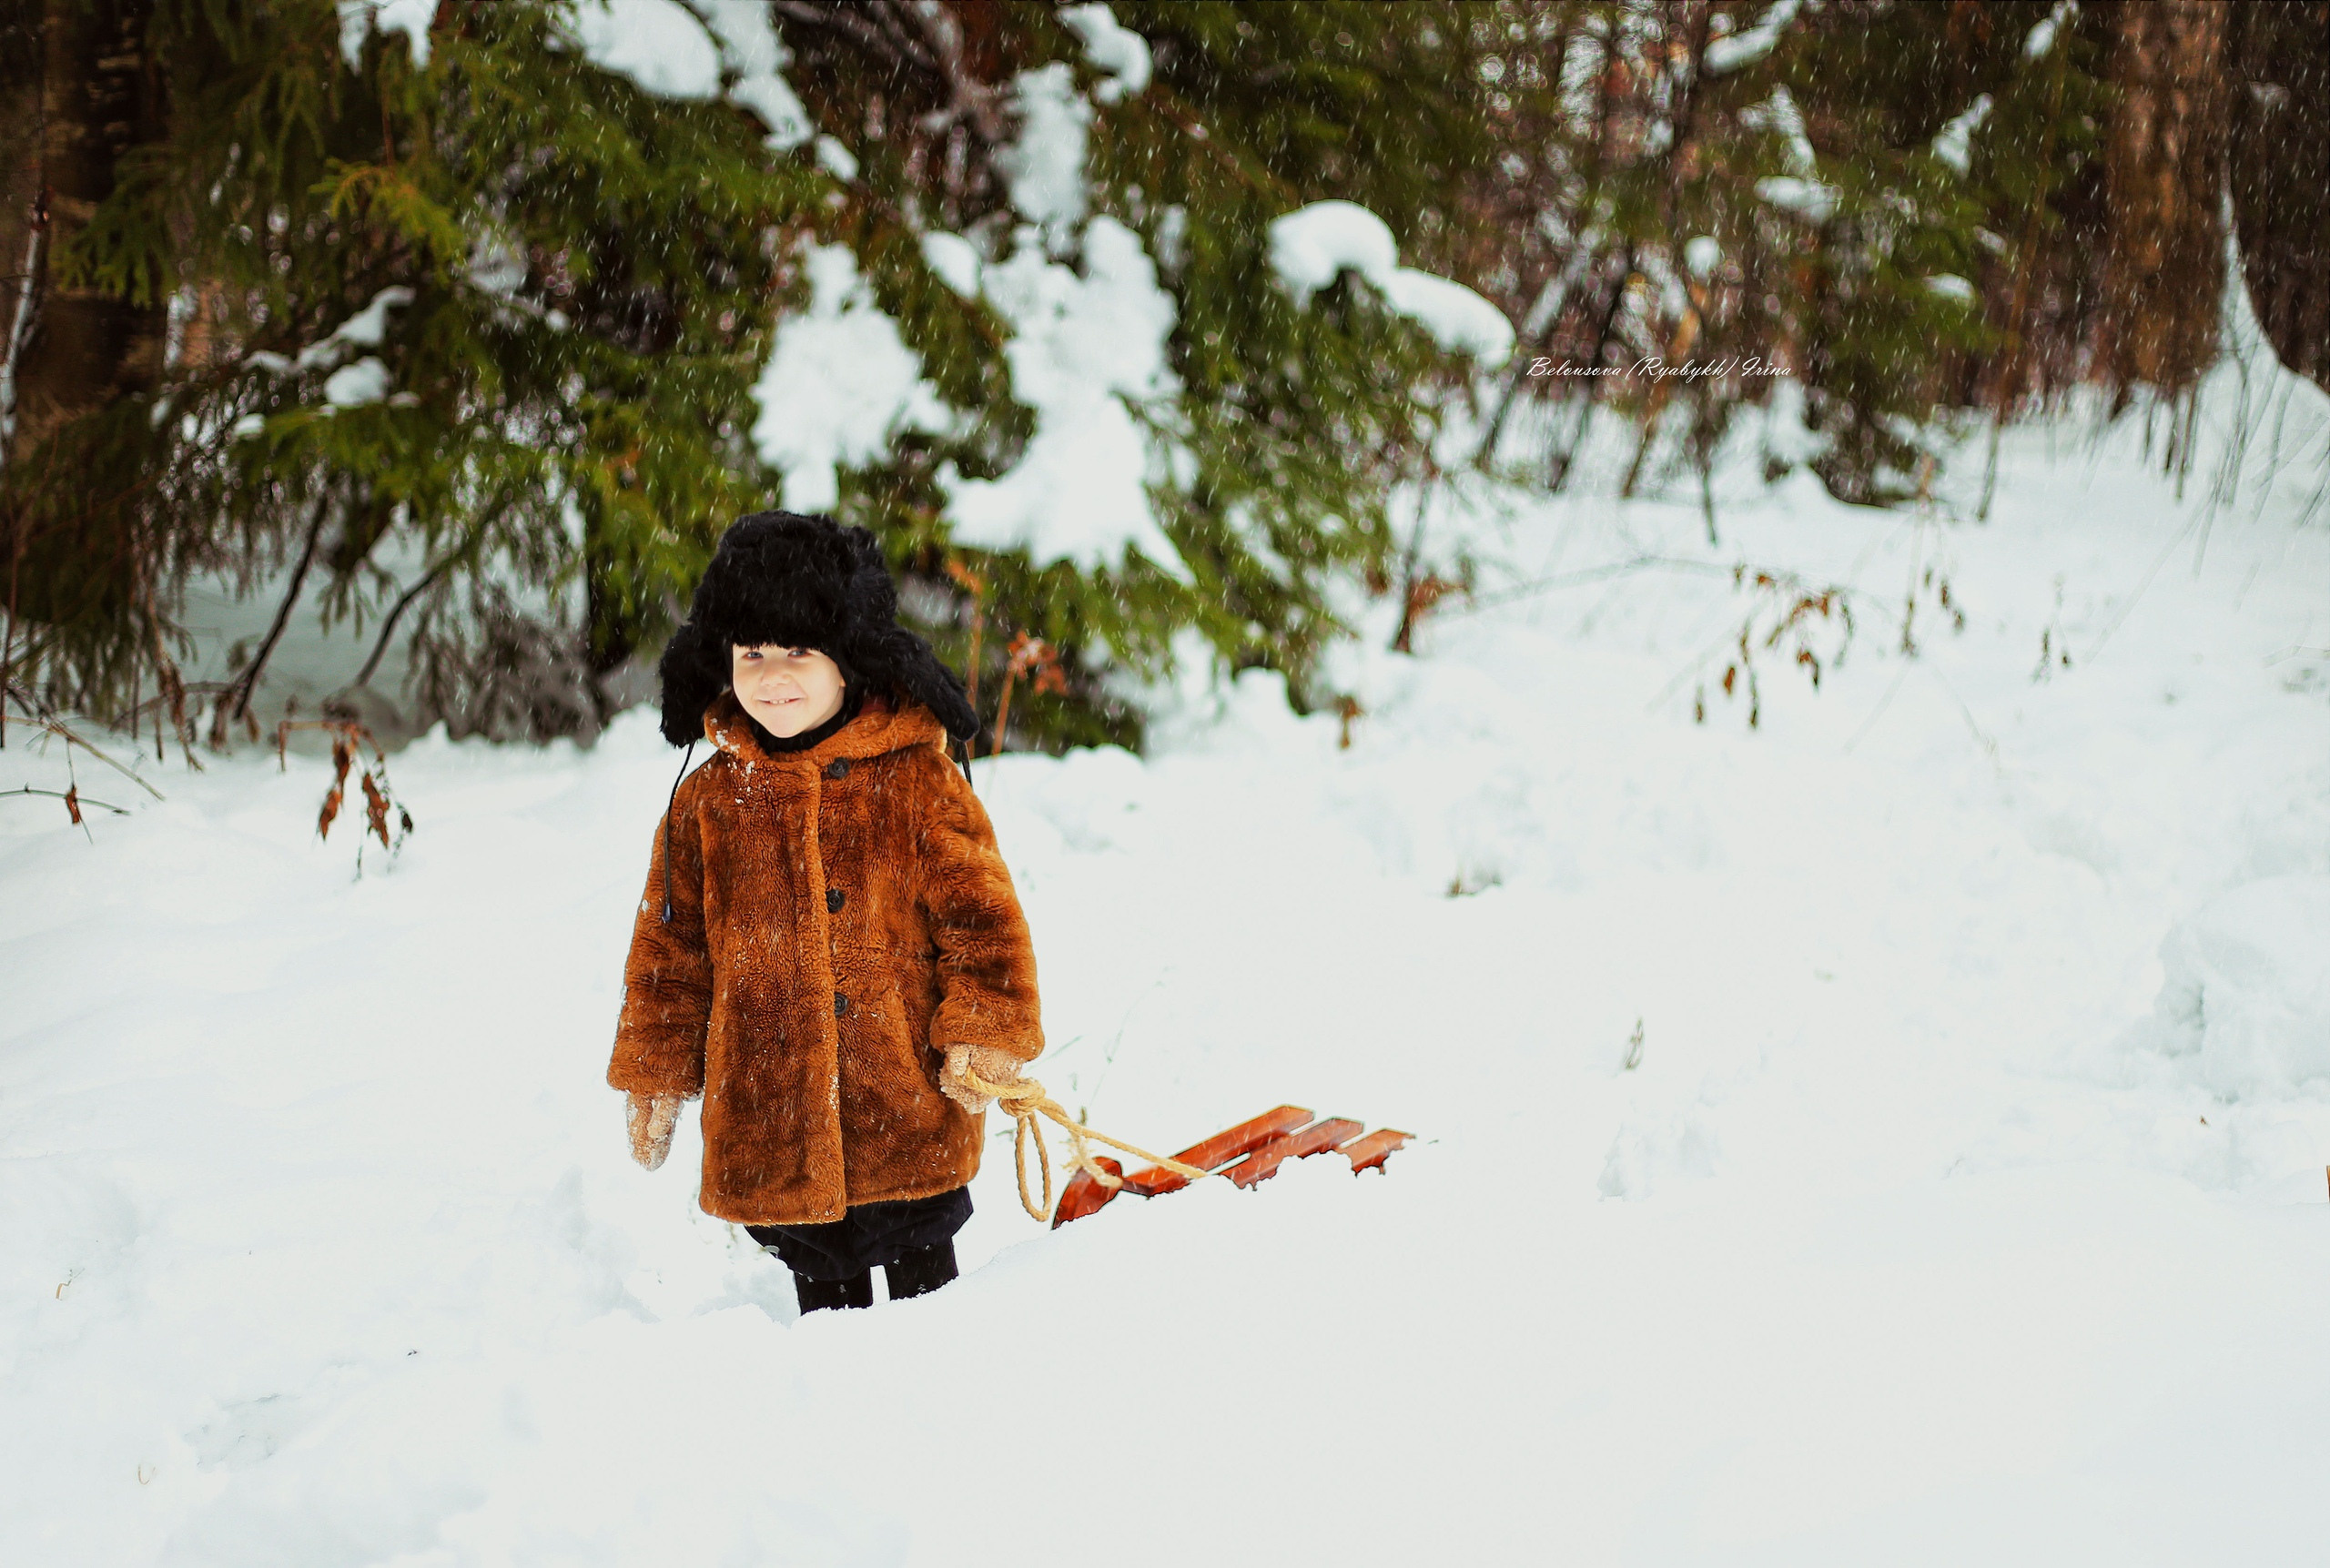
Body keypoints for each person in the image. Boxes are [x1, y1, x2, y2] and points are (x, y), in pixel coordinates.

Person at [608, 511, 1042, 1313]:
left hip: (903, 1103)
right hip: (772, 1120)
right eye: (752, 654)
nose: (772, 676)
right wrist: (656, 1070)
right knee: (827, 1312)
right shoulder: (707, 803)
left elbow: (982, 920)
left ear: (851, 660)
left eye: (798, 652)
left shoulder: (918, 781)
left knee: (927, 1306)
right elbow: (668, 953)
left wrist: (986, 1026)